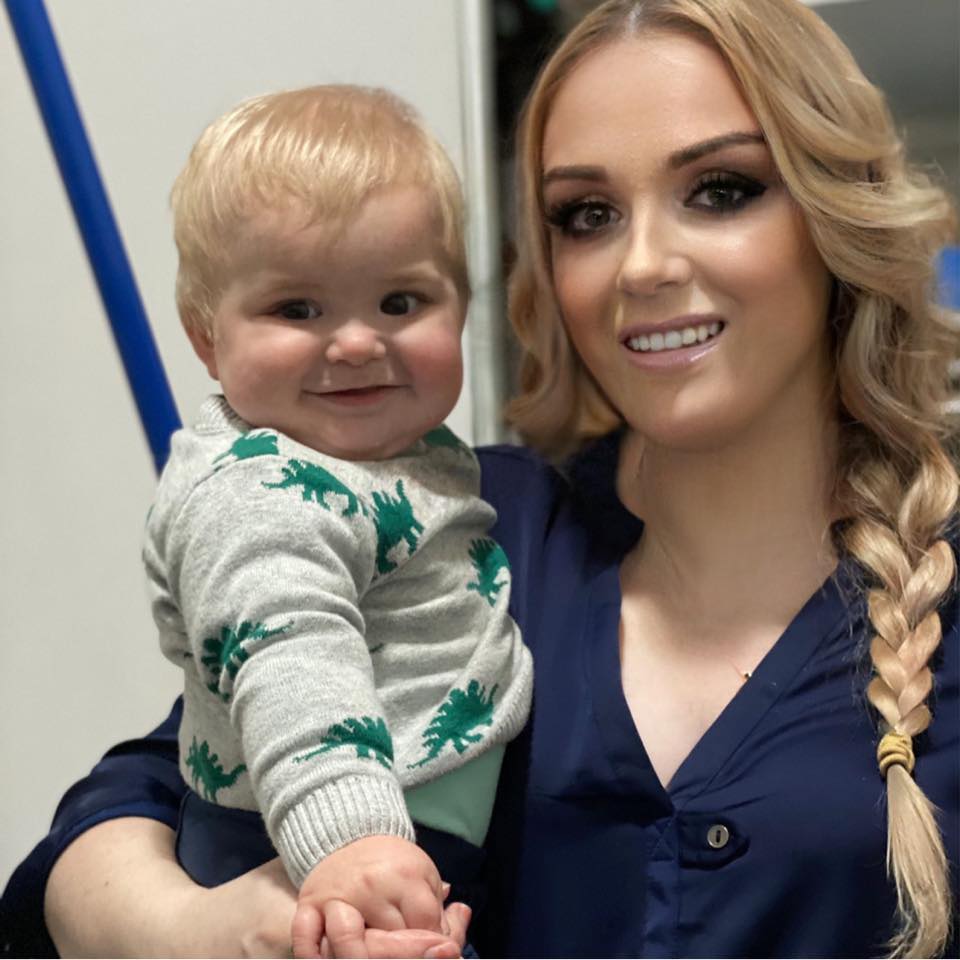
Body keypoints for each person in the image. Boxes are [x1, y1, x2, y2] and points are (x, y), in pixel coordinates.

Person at [2, 1, 957, 957]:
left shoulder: (937, 583)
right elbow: (126, 809)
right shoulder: (458, 520)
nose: (643, 266)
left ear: (838, 212)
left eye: (721, 190)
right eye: (587, 216)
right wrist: (197, 930)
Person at [141, 83, 532, 956]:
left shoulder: (397, 456)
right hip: (320, 849)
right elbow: (292, 654)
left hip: (403, 839)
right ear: (206, 336)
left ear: (462, 308)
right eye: (297, 309)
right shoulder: (258, 491)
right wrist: (350, 842)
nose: (357, 343)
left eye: (401, 303)